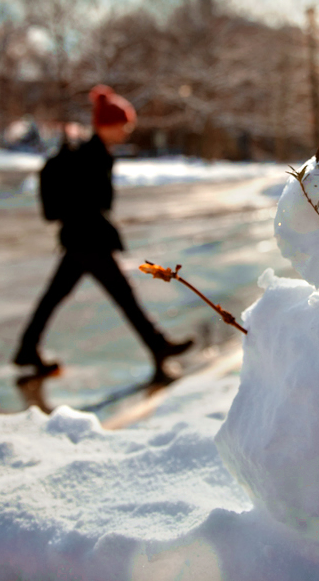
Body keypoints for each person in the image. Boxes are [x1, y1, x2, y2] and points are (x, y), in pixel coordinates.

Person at [13, 85, 193, 381]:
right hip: (88, 241)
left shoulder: (97, 153)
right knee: (124, 296)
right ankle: (157, 346)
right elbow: (88, 203)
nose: (128, 130)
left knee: (55, 296)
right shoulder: (91, 155)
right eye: (124, 124)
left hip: (80, 241)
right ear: (107, 125)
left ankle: (27, 349)